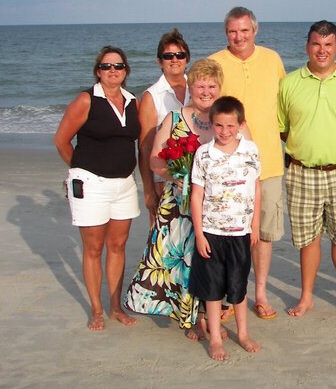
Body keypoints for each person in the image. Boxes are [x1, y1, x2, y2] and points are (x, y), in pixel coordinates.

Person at [123, 59, 223, 340]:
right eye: (200, 85)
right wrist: (175, 175)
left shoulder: (226, 119)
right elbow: (155, 158)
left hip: (216, 206)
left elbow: (247, 154)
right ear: (190, 86)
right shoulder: (174, 118)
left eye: (211, 85)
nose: (206, 91)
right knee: (183, 261)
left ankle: (207, 315)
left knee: (212, 260)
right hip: (178, 204)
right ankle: (189, 317)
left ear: (219, 88)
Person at [277, 21, 336, 318]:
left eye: (328, 45)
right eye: (316, 44)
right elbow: (282, 128)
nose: (322, 50)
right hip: (301, 172)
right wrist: (308, 147)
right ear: (307, 46)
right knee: (308, 239)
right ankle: (306, 297)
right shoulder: (289, 83)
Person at [54, 46, 140, 331]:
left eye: (118, 66)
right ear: (97, 71)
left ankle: (115, 307)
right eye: (106, 66)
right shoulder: (85, 100)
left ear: (126, 71)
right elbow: (61, 140)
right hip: (91, 185)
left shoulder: (132, 101)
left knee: (117, 246)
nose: (112, 71)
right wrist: (80, 169)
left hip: (125, 185)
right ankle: (97, 309)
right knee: (94, 248)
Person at [208, 7, 285, 321]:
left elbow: (282, 107)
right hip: (227, 167)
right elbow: (204, 106)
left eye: (244, 30)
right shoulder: (215, 63)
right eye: (232, 31)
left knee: (264, 232)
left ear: (255, 30)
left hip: (268, 163)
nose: (238, 37)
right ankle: (227, 296)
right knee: (227, 232)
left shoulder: (272, 59)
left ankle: (261, 293)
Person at [189, 96, 261, 361]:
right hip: (212, 232)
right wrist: (199, 234)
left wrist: (255, 224)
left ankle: (242, 333)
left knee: (238, 286)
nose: (224, 131)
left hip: (240, 232)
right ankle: (216, 338)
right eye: (219, 125)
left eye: (230, 126)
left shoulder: (250, 150)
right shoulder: (204, 154)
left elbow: (256, 187)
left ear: (240, 125)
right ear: (211, 124)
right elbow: (196, 195)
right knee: (212, 288)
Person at [138, 29, 190, 226]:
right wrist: (149, 190)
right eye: (168, 56)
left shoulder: (199, 89)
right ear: (160, 61)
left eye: (180, 55)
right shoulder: (152, 96)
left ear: (187, 59)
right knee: (165, 239)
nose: (174, 59)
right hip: (163, 179)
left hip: (195, 178)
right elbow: (144, 147)